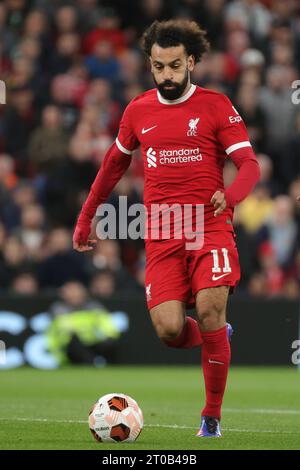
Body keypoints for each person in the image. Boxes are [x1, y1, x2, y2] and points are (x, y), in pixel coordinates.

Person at [73, 20, 260, 437]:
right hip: (161, 232)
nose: (167, 75)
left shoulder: (215, 105)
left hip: (209, 226)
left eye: (175, 66)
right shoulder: (138, 109)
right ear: (150, 65)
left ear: (191, 61)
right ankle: (218, 338)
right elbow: (112, 166)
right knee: (170, 330)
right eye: (159, 67)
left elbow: (249, 164)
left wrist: (229, 197)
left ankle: (210, 418)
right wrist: (87, 217)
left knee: (210, 309)